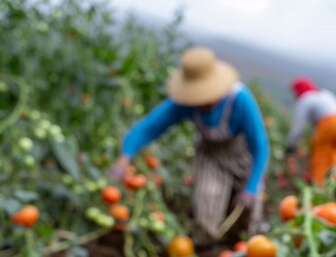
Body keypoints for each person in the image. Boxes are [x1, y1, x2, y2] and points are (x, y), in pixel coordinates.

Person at [109, 47, 269, 244]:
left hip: (241, 156)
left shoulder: (240, 100)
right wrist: (125, 156)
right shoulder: (186, 103)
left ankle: (243, 244)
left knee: (248, 210)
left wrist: (251, 188)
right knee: (207, 201)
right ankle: (208, 247)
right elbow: (148, 128)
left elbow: (260, 146)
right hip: (210, 157)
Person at [285, 77, 336, 186]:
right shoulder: (323, 93)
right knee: (333, 156)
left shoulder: (305, 99)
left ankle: (320, 188)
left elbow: (298, 126)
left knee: (320, 156)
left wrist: (291, 145)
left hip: (328, 122)